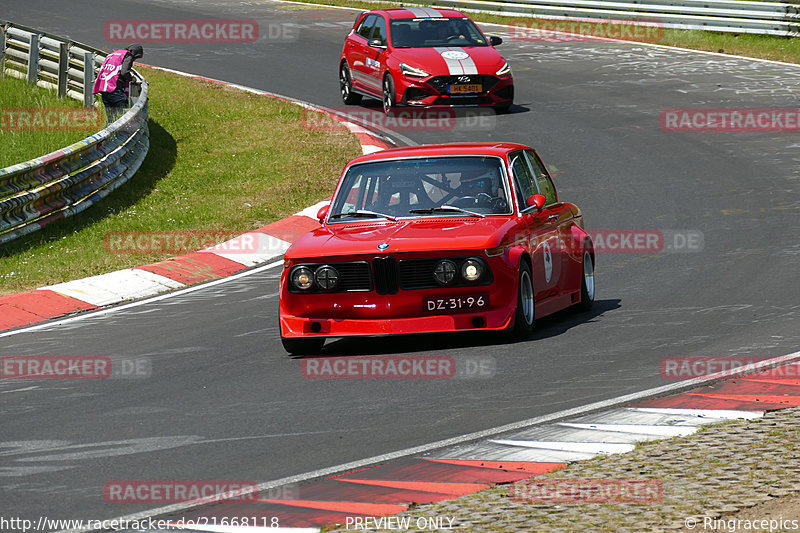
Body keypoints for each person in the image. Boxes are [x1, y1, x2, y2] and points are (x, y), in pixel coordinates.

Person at [92, 44, 144, 124]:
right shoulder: (128, 55)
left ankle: (110, 132)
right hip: (114, 87)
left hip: (103, 87)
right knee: (122, 113)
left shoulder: (114, 54)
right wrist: (131, 78)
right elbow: (125, 72)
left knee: (111, 116)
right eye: (136, 58)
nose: (134, 60)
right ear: (135, 54)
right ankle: (122, 133)